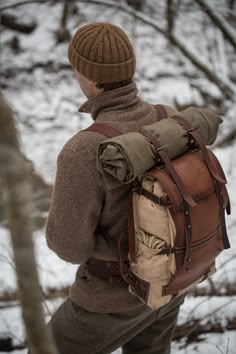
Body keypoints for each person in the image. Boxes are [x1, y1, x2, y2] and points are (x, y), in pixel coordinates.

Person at [45, 22, 184, 354]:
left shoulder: (82, 151)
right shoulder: (169, 118)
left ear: (91, 79)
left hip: (110, 300)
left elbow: (68, 247)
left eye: (76, 68)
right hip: (172, 283)